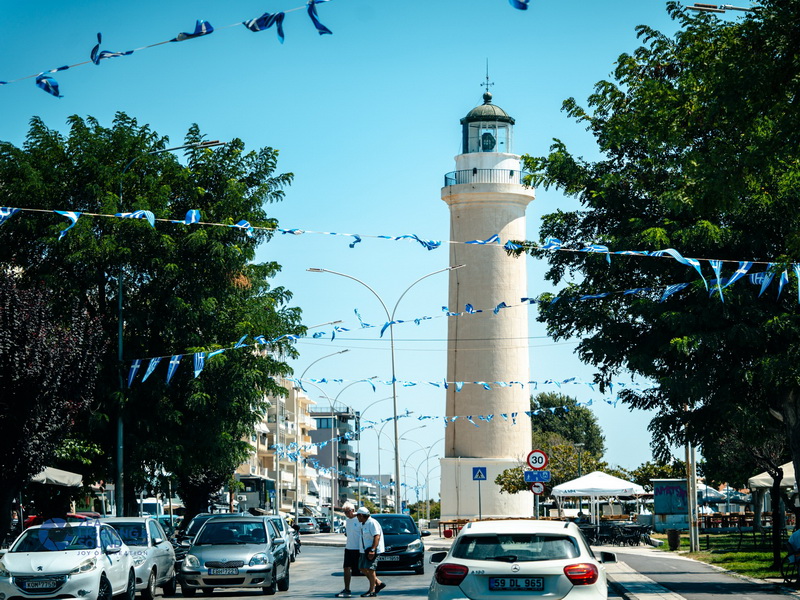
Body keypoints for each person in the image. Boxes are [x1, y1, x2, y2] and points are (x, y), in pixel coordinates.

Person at [355, 507, 386, 597]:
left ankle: (372, 590)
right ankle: (378, 583)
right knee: (362, 568)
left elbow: (377, 536)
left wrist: (373, 550)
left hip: (372, 550)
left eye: (357, 516)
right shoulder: (363, 523)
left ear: (361, 515)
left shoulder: (372, 523)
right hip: (364, 550)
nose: (357, 518)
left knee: (371, 569)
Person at [336, 503, 360, 598]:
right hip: (349, 548)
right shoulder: (347, 521)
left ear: (353, 510)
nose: (346, 514)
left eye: (347, 512)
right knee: (346, 568)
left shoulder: (359, 518)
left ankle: (377, 583)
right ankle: (347, 589)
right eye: (344, 512)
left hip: (358, 548)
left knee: (365, 569)